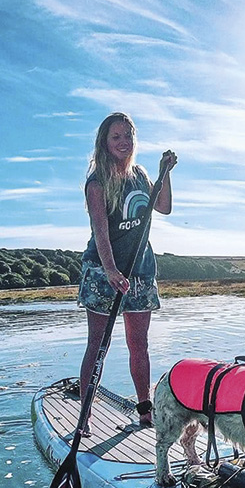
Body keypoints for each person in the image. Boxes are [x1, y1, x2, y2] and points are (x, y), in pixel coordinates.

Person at [77, 112, 176, 435]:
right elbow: (101, 231)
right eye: (116, 137)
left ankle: (144, 411)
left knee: (139, 344)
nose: (123, 142)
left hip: (141, 269)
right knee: (98, 345)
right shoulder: (97, 182)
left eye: (128, 136)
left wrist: (164, 173)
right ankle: (85, 415)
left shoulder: (140, 175)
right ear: (105, 143)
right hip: (104, 270)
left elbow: (163, 207)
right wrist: (110, 270)